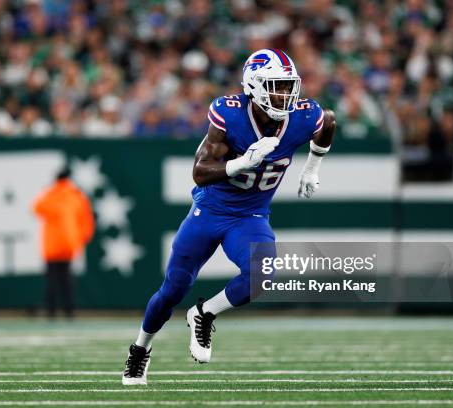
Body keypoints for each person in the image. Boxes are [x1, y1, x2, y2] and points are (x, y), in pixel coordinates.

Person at [122, 49, 336, 385]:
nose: (284, 94)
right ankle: (140, 350)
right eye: (275, 86)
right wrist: (240, 163)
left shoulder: (303, 116)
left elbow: (329, 122)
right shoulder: (229, 113)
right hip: (210, 210)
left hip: (250, 215)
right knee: (173, 289)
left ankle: (205, 313)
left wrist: (312, 168)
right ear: (254, 85)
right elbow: (200, 172)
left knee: (262, 274)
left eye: (287, 86)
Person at [33, 167, 95, 318]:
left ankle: (51, 310)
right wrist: (81, 238)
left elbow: (37, 208)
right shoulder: (76, 196)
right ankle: (69, 310)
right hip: (69, 244)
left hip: (51, 245)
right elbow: (86, 220)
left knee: (52, 279)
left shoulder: (51, 194)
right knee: (67, 278)